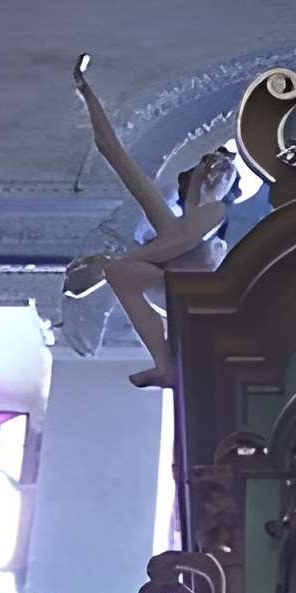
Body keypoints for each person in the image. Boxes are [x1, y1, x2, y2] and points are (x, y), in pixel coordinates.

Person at [67, 56, 240, 387]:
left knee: (121, 269)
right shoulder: (168, 222)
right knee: (124, 271)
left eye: (226, 171)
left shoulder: (213, 216)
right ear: (193, 176)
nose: (217, 171)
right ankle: (166, 363)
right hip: (176, 310)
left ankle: (168, 365)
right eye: (212, 164)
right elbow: (112, 150)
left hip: (205, 318)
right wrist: (86, 91)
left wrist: (113, 263)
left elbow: (184, 241)